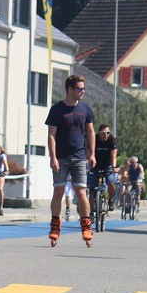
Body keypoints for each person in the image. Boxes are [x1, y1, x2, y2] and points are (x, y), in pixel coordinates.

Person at [45, 74, 96, 244]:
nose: (83, 91)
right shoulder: (57, 109)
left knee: (81, 192)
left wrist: (92, 154)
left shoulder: (85, 109)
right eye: (80, 89)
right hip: (61, 157)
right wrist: (53, 157)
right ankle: (55, 226)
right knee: (58, 192)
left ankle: (86, 227)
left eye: (83, 88)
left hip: (79, 157)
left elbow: (90, 132)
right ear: (70, 90)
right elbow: (51, 135)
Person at [93, 124, 118, 209]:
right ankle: (91, 209)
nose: (106, 135)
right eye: (103, 133)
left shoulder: (112, 140)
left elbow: (113, 156)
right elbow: (89, 153)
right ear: (99, 133)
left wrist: (114, 167)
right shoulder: (94, 139)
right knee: (91, 186)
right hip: (95, 165)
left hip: (107, 165)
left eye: (108, 133)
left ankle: (110, 200)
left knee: (111, 182)